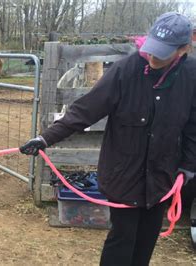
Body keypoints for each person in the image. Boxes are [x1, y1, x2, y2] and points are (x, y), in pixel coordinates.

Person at [20, 12, 195, 266]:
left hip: (162, 177)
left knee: (146, 241)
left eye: (164, 52)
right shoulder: (126, 70)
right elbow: (86, 109)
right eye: (153, 49)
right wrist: (45, 138)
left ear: (182, 50)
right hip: (124, 174)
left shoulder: (190, 75)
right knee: (122, 240)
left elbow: (193, 126)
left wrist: (187, 168)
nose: (154, 57)